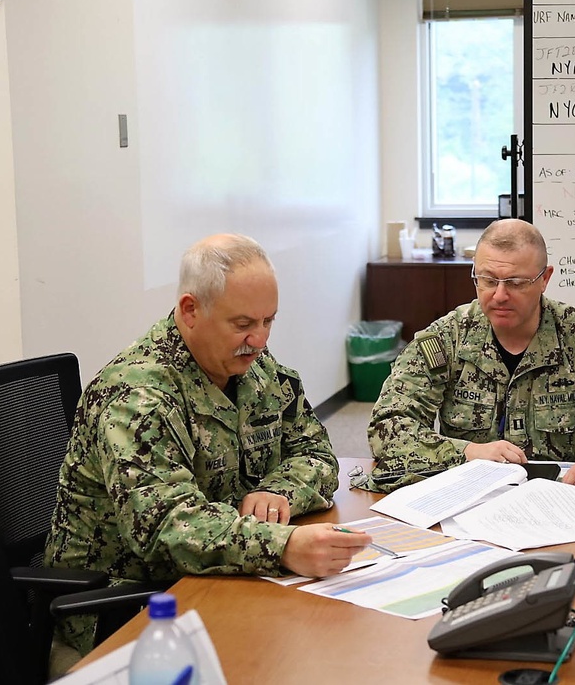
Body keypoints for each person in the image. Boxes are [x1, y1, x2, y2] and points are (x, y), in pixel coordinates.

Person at [45, 233, 371, 656]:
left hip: (216, 579)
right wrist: (282, 545)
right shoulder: (136, 397)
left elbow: (317, 453)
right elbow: (167, 529)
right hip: (124, 616)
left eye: (268, 321)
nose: (260, 341)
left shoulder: (253, 367)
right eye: (243, 324)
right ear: (190, 310)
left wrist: (278, 490)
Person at [367, 218, 575, 492]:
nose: (498, 295)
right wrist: (467, 452)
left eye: (515, 283)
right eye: (487, 280)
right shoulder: (447, 339)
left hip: (563, 500)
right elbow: (387, 428)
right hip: (469, 498)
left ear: (544, 279)